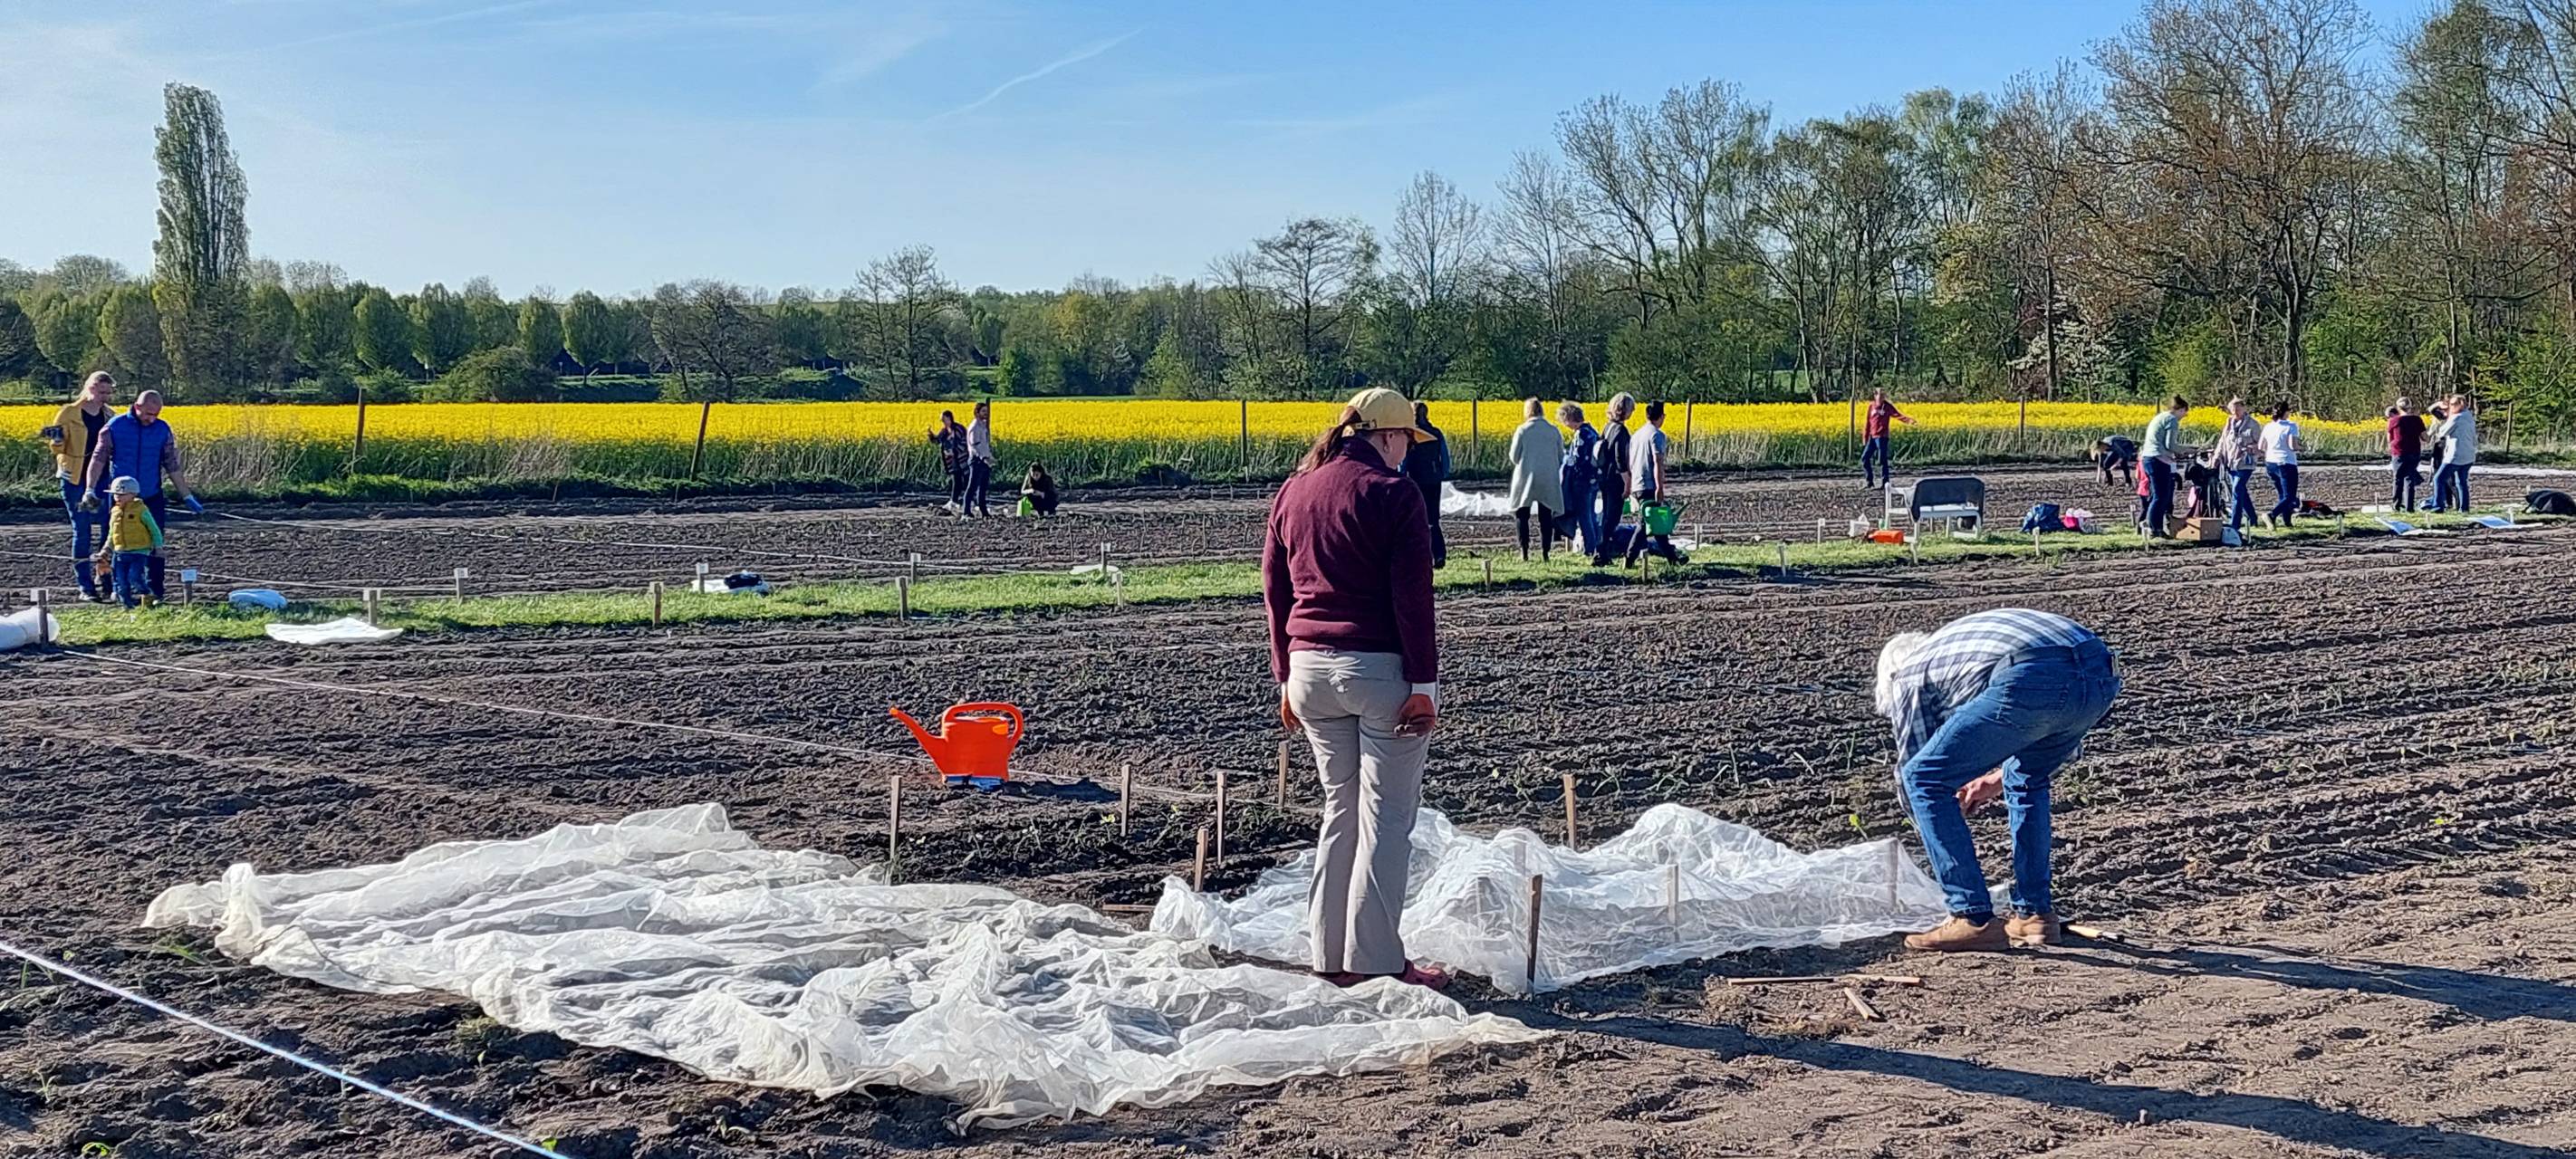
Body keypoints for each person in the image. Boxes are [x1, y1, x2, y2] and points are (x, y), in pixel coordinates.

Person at [1261, 387, 1444, 989]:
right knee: (1386, 818)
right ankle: (1378, 959)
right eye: (1406, 442)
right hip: (1378, 671)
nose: (1407, 455)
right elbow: (1413, 599)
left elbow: (1274, 588)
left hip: (1309, 670)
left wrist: (1285, 673)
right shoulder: (1394, 495)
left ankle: (1327, 955)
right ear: (1388, 436)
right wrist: (1424, 683)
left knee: (1339, 811)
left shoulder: (1295, 489)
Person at [1877, 608, 2121, 952]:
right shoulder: (1961, 655)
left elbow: (1916, 774)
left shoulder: (1908, 676)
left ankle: (1971, 918)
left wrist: (1938, 823)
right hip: (2100, 670)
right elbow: (2060, 736)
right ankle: (2034, 916)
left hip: (2030, 672)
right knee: (2027, 778)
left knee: (1924, 779)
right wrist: (1993, 780)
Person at [82, 390, 199, 602]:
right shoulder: (114, 427)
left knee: (156, 541)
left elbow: (171, 463)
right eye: (148, 414)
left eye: (156, 414)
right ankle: (111, 587)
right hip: (120, 497)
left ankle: (156, 591)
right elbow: (98, 459)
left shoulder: (162, 430)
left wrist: (187, 495)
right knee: (113, 540)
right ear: (137, 407)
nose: (151, 419)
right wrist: (89, 488)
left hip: (151, 494)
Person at [44, 371, 116, 602]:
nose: (103, 396)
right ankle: (85, 587)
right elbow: (54, 443)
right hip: (74, 479)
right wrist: (56, 441)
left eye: (107, 392)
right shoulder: (68, 413)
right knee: (82, 531)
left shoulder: (110, 415)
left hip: (103, 480)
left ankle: (106, 579)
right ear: (89, 388)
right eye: (100, 391)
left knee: (108, 530)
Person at [1505, 398, 1566, 562]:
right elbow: (1561, 456)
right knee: (1546, 516)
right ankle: (1546, 552)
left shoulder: (1523, 430)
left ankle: (1524, 551)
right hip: (1547, 477)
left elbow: (1514, 456)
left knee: (1522, 514)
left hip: (1526, 477)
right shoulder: (1553, 430)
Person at [1622, 400, 1672, 568]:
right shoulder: (1657, 435)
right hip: (1649, 485)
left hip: (1637, 484)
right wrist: (1660, 487)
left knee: (1655, 523)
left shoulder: (1636, 435)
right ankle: (1629, 558)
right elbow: (1658, 462)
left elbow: (1629, 462)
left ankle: (1672, 557)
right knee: (1646, 524)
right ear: (1661, 416)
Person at [102, 475, 163, 608]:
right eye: (115, 494)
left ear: (133, 494)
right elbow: (112, 533)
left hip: (139, 551)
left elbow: (154, 529)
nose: (118, 497)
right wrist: (107, 548)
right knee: (120, 581)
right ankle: (127, 607)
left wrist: (158, 546)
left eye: (122, 494)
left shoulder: (141, 510)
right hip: (119, 552)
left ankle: (147, 596)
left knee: (135, 577)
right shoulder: (114, 511)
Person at [1401, 402, 1449, 570]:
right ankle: (1440, 554)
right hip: (1434, 480)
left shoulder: (1411, 435)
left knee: (1418, 519)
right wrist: (1442, 473)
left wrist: (1401, 477)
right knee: (1434, 519)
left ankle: (1423, 555)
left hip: (1416, 480)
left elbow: (1404, 461)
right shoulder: (1436, 433)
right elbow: (1445, 456)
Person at [1592, 394, 1635, 567]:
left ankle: (1601, 551)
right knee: (1612, 517)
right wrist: (1628, 483)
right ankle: (1600, 552)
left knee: (1607, 516)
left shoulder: (1608, 427)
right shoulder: (1621, 431)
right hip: (1615, 479)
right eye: (1631, 408)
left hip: (1603, 477)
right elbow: (1620, 460)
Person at [1556, 401, 1602, 559]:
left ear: (1569, 418)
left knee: (1585, 516)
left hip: (1583, 482)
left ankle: (1590, 549)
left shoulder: (1581, 434)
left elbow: (1578, 460)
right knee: (1591, 514)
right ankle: (1597, 545)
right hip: (1594, 480)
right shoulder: (1592, 431)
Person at [2139, 396, 2188, 539]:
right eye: (2185, 412)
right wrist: (2187, 450)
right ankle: (2154, 528)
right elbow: (2170, 445)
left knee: (2156, 495)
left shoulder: (2160, 417)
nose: (2184, 416)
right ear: (2181, 409)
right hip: (2158, 460)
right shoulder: (2172, 420)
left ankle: (2154, 527)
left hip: (2148, 459)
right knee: (2161, 496)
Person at [2209, 398, 2260, 532]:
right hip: (2230, 463)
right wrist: (2217, 457)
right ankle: (2253, 519)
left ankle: (2235, 524)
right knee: (2241, 492)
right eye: (2232, 409)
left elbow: (2261, 445)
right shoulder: (2228, 424)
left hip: (2245, 463)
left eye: (2237, 409)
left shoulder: (2253, 425)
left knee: (2237, 490)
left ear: (2244, 408)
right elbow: (2222, 442)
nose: (2235, 412)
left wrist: (2252, 448)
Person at [2429, 395, 2478, 513]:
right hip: (2469, 454)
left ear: (2460, 405)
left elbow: (2442, 432)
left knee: (2438, 479)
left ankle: (2438, 506)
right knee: (2461, 482)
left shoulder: (2455, 418)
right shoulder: (2469, 416)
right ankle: (2464, 508)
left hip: (2455, 455)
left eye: (2452, 405)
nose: (2450, 407)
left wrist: (2448, 417)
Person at [1860, 388, 1916, 489]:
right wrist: (1865, 437)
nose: (1882, 397)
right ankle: (1869, 482)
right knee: (1865, 458)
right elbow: (1867, 423)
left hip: (1882, 437)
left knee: (1882, 460)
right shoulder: (1871, 407)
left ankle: (1885, 483)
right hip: (1872, 437)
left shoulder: (1887, 406)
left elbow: (1897, 415)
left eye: (1883, 395)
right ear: (1875, 396)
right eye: (1880, 395)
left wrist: (1908, 421)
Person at [2258, 403, 2302, 527]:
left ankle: (2287, 522)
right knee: (2290, 496)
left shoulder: (2268, 427)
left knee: (2282, 494)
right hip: (2286, 462)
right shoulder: (2291, 426)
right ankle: (2272, 515)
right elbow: (2292, 446)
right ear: (2286, 412)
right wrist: (2302, 448)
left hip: (2271, 463)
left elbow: (2261, 446)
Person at [2388, 398, 2427, 512]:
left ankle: (2396, 505)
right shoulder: (2417, 419)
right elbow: (2425, 437)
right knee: (2409, 478)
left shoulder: (2393, 421)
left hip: (2399, 452)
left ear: (2398, 408)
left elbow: (2389, 439)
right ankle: (2410, 507)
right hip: (2414, 451)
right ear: (2410, 407)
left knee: (2398, 479)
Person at [928, 411, 967, 513]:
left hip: (962, 458)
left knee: (967, 479)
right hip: (952, 460)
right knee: (956, 480)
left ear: (949, 418)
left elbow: (965, 441)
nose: (943, 422)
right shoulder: (944, 431)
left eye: (944, 419)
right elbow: (938, 441)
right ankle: (954, 501)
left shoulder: (959, 429)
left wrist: (955, 450)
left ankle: (970, 500)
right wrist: (931, 436)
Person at [963, 401, 995, 518]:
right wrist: (984, 457)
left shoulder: (983, 426)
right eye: (983, 411)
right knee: (972, 487)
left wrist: (990, 456)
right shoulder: (974, 427)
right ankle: (966, 511)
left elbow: (985, 444)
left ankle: (984, 511)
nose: (986, 413)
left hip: (985, 460)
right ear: (977, 412)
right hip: (977, 460)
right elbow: (975, 445)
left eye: (986, 411)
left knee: (983, 488)